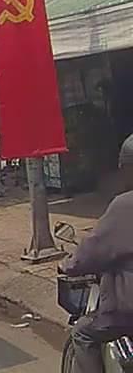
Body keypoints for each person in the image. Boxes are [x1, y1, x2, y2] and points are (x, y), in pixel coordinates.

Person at [61, 133, 133, 373]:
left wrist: (68, 264)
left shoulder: (124, 205)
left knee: (83, 333)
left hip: (127, 313)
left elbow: (92, 251)